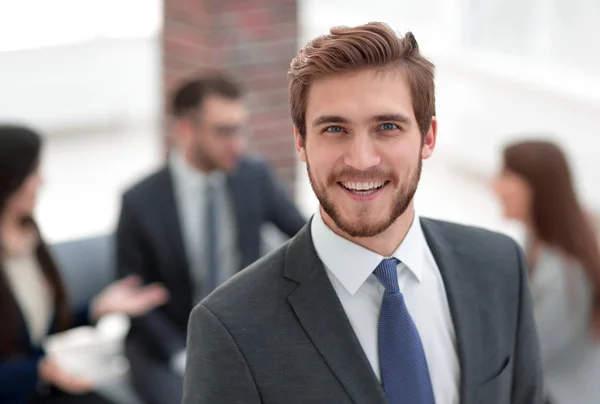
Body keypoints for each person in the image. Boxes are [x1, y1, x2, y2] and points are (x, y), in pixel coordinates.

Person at [182, 22, 543, 404]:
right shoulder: (230, 327)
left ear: (429, 137)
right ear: (300, 142)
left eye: (387, 126)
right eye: (335, 129)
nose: (361, 160)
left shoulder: (498, 266)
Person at [116, 72, 306, 404]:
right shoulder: (139, 202)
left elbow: (305, 237)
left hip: (245, 334)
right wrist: (182, 356)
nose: (239, 144)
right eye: (223, 131)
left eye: (241, 129)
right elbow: (133, 298)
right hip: (169, 345)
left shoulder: (253, 175)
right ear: (184, 129)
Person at [0, 125, 169, 404]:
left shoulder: (28, 237)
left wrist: (97, 308)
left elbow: (33, 327)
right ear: (8, 178)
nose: (41, 182)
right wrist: (37, 371)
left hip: (36, 384)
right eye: (33, 173)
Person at [493, 140, 600, 404]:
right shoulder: (535, 245)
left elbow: (524, 359)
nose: (494, 186)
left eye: (506, 176)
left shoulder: (565, 275)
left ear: (536, 187)